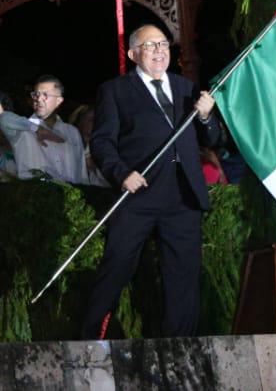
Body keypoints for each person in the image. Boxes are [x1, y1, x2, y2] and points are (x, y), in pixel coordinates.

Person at [80, 25, 221, 339]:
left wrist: (206, 117)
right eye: (150, 45)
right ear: (133, 54)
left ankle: (180, 346)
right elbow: (102, 143)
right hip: (138, 195)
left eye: (163, 44)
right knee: (116, 266)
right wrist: (120, 173)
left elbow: (212, 139)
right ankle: (86, 339)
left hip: (183, 197)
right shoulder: (115, 90)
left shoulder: (186, 87)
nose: (159, 50)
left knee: (182, 275)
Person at [0, 76, 88, 184]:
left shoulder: (72, 131)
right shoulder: (23, 129)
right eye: (36, 94)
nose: (39, 99)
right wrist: (37, 129)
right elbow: (3, 118)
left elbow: (82, 174)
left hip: (70, 198)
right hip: (35, 197)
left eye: (46, 95)